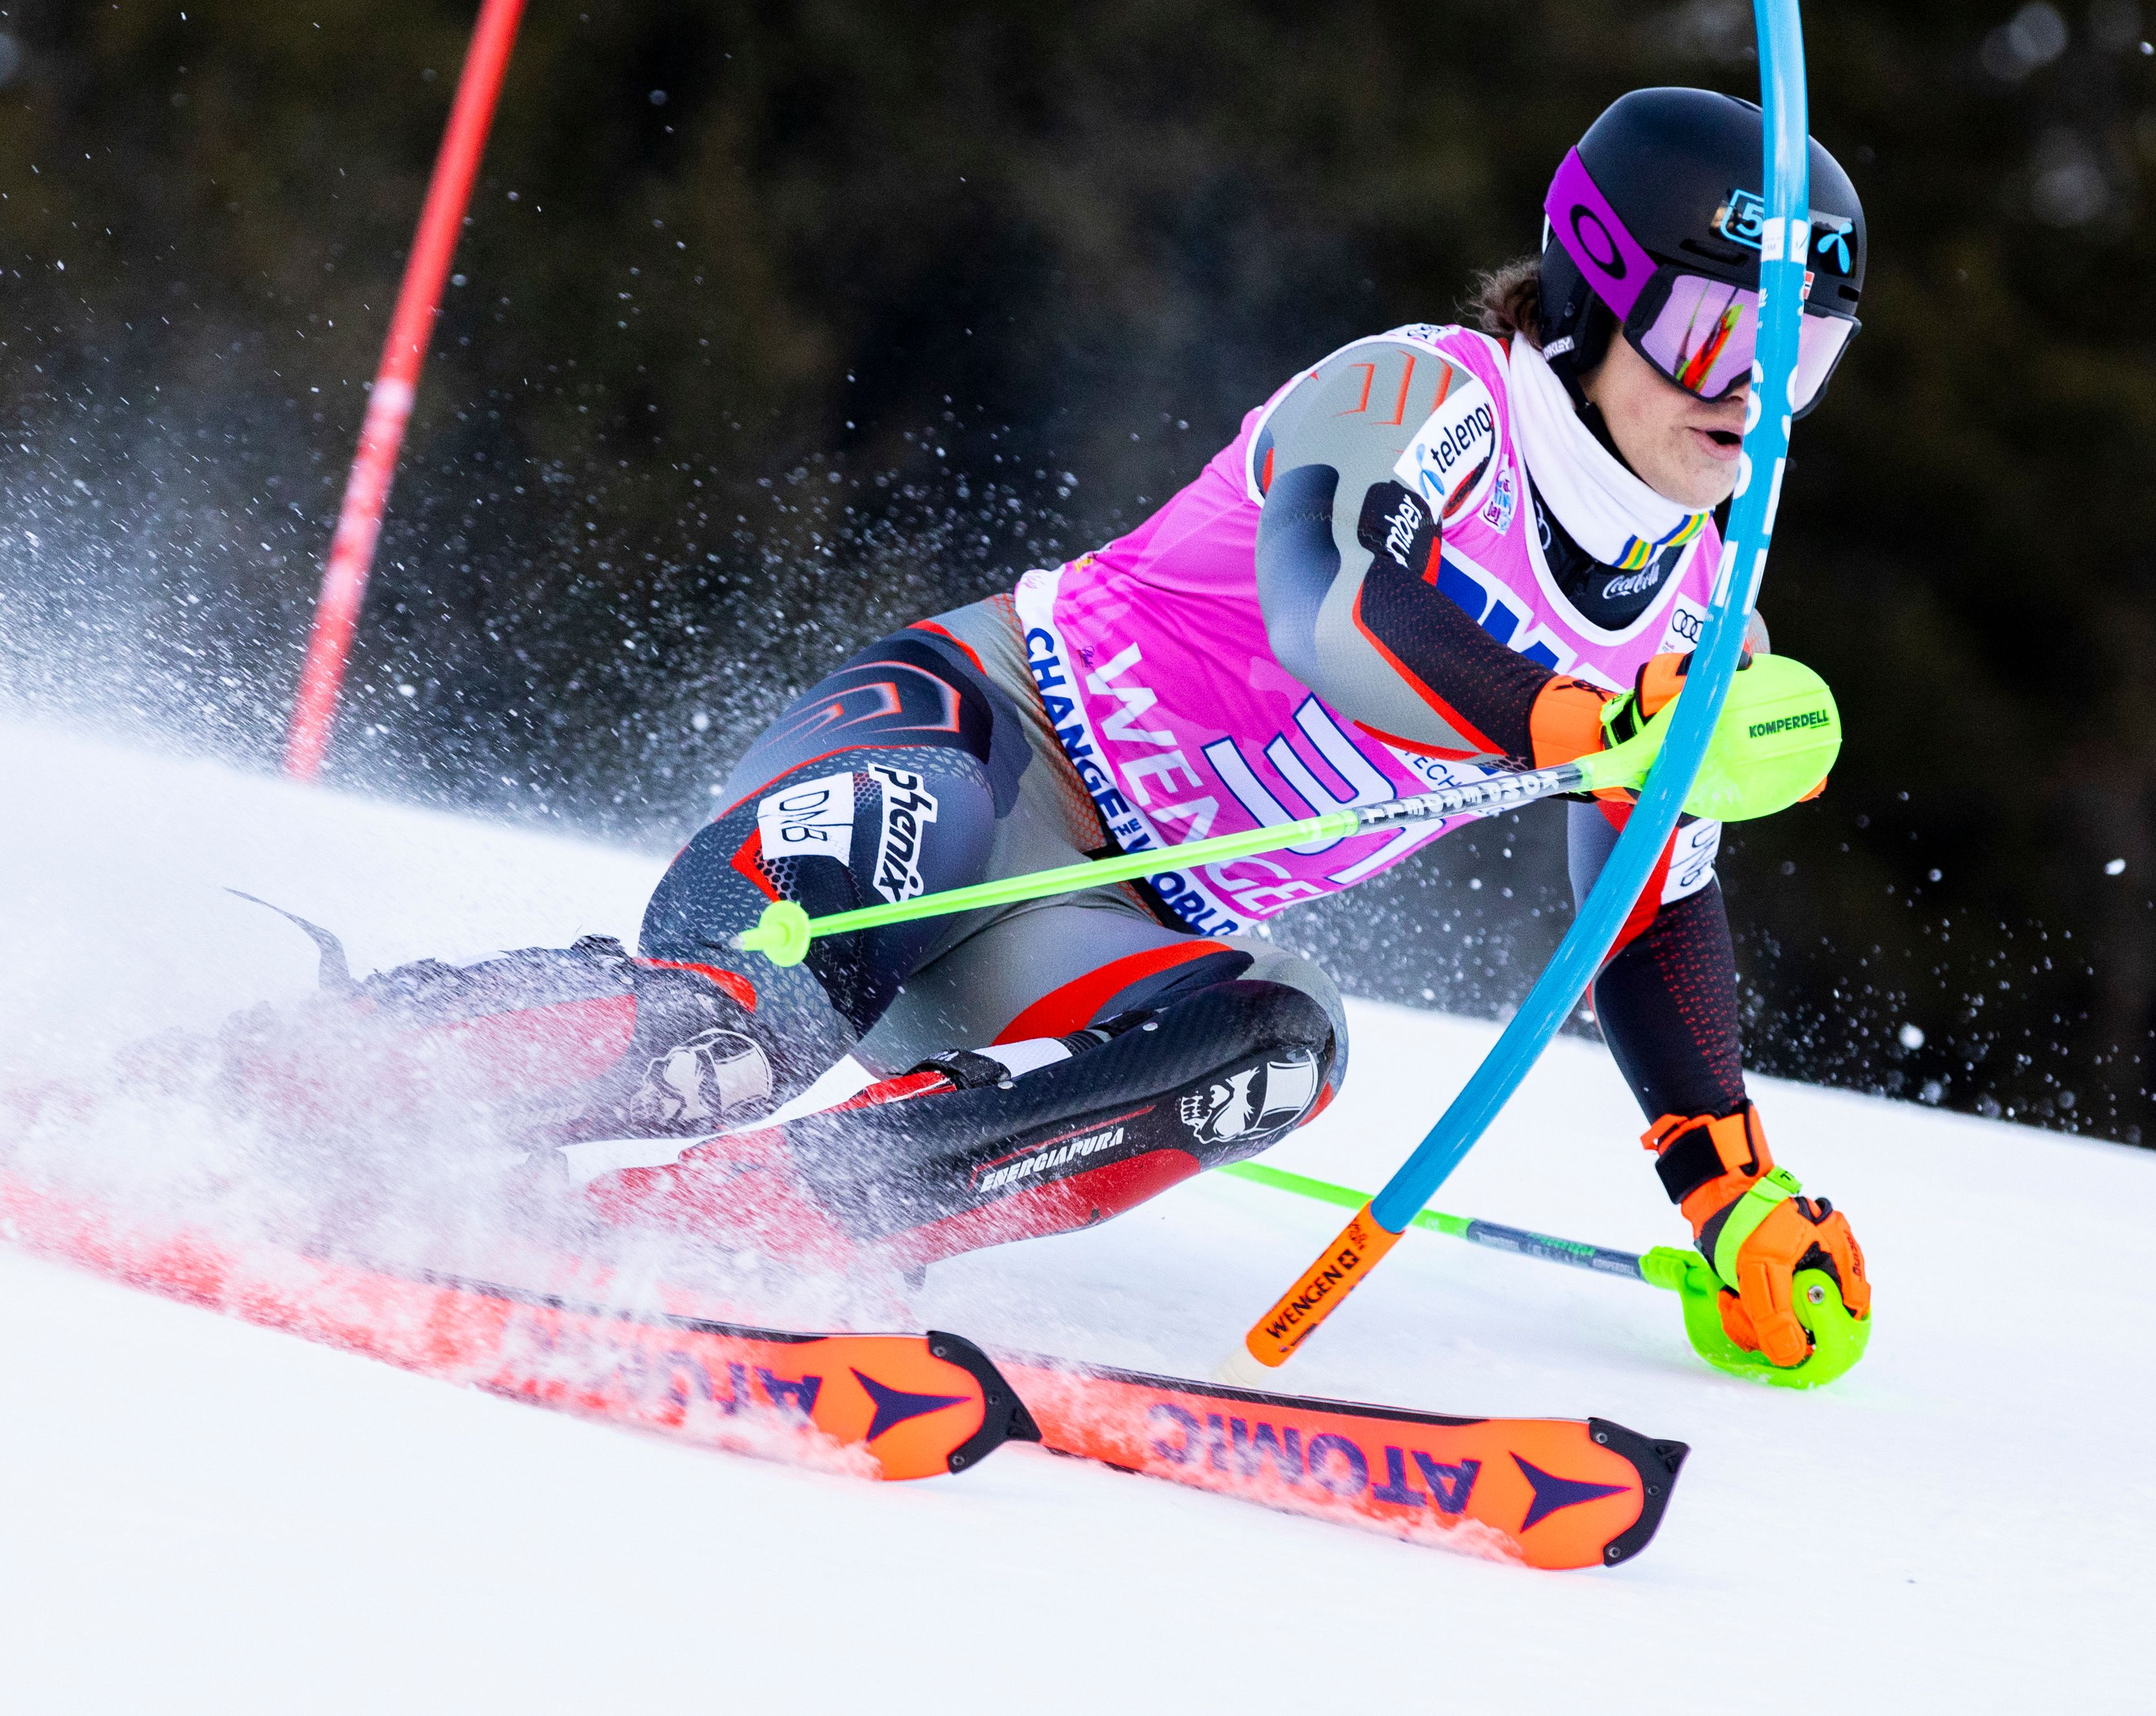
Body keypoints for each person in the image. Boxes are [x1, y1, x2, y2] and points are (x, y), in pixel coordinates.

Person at [247, 86, 1870, 1371]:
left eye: (1799, 356)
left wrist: (1725, 1190)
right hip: (971, 752)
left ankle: (736, 1228)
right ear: (1592, 289)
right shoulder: (1418, 398)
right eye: (1721, 334)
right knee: (725, 1039)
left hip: (1098, 933)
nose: (1751, 399)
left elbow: (1647, 891)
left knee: (1279, 1046)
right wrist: (1587, 717)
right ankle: (268, 1084)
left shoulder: (1704, 600)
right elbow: (1341, 614)